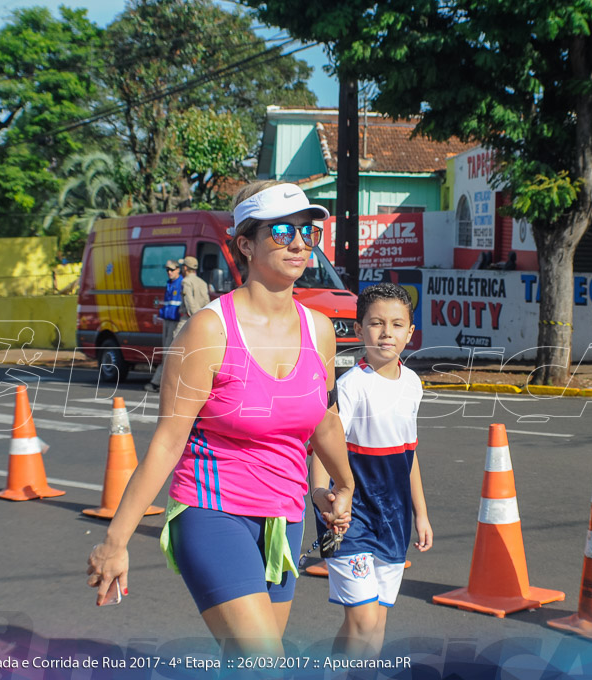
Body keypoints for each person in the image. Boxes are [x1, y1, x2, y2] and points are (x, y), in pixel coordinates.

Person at [87, 180, 355, 658]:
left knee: (246, 663)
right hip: (214, 512)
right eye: (281, 231)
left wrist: (343, 484)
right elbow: (168, 443)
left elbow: (325, 420)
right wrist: (115, 540)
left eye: (307, 232)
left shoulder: (319, 330)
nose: (298, 243)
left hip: (284, 518)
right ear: (246, 244)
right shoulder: (208, 331)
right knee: (265, 660)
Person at [309, 282, 433, 659]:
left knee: (374, 624)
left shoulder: (412, 384)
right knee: (363, 622)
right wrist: (320, 498)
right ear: (359, 329)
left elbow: (407, 454)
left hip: (395, 519)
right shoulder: (350, 387)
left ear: (410, 333)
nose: (386, 333)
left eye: (397, 325)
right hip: (349, 518)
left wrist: (422, 514)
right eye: (376, 323)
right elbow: (321, 448)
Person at [146, 260, 183, 392]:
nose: (169, 272)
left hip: (175, 322)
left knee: (169, 353)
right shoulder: (170, 284)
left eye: (172, 269)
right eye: (167, 270)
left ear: (178, 270)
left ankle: (158, 382)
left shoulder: (181, 283)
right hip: (168, 321)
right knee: (166, 352)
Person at [179, 255, 210, 332]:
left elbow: (189, 302)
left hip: (188, 319)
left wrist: (194, 317)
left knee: (175, 342)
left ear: (185, 268)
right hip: (202, 319)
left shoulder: (186, 282)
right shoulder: (203, 282)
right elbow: (206, 301)